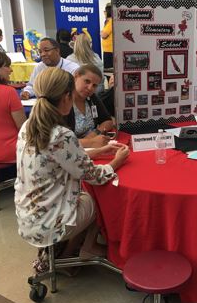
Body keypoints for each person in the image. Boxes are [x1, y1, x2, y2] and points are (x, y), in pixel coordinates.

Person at [14, 68, 127, 259]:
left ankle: (71, 249)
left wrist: (98, 151)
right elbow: (94, 176)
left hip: (27, 216)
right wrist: (116, 162)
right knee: (96, 198)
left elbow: (61, 157)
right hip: (50, 222)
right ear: (67, 96)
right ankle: (84, 248)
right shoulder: (61, 134)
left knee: (82, 194)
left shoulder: (29, 126)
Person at [69, 64, 115, 149]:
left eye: (94, 85)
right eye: (87, 81)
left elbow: (108, 121)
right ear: (76, 76)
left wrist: (95, 133)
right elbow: (61, 142)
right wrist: (90, 142)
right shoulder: (63, 102)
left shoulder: (91, 98)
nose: (90, 88)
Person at [101, 5, 114, 70]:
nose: (104, 13)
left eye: (105, 11)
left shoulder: (111, 21)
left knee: (108, 71)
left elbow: (103, 34)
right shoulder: (108, 21)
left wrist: (101, 32)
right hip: (108, 50)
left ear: (108, 12)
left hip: (109, 51)